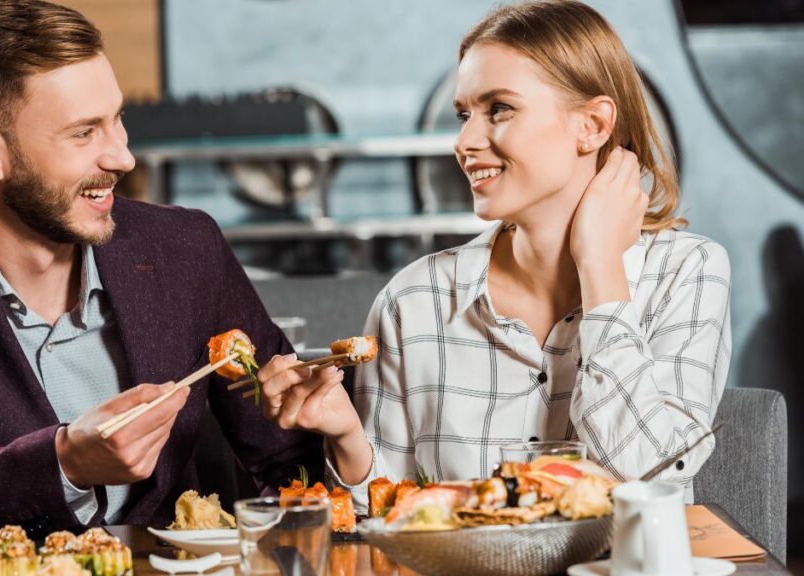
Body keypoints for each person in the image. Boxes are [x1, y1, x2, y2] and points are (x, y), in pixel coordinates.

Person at [0, 1, 322, 573]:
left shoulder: (186, 247)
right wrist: (64, 462)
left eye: (117, 119)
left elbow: (293, 466)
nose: (122, 155)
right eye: (84, 133)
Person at [259, 0, 731, 511]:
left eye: (499, 109)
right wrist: (349, 441)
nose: (464, 141)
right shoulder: (412, 300)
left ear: (592, 125)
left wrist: (600, 265)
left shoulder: (688, 273)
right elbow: (386, 523)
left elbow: (644, 482)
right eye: (464, 115)